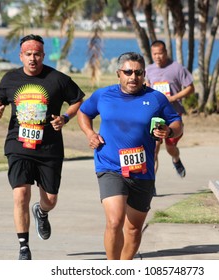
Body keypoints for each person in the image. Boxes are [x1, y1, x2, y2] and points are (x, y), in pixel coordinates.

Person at [77, 52, 183, 260]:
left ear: (144, 74)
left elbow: (177, 123)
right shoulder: (103, 95)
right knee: (115, 221)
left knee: (133, 229)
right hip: (109, 166)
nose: (133, 77)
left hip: (141, 171)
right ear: (118, 73)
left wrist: (168, 131)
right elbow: (84, 112)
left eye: (138, 72)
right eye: (128, 72)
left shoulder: (155, 98)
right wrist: (90, 133)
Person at [0, 34, 85, 260]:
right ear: (21, 56)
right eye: (28, 54)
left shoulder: (58, 79)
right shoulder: (10, 78)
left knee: (50, 199)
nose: (33, 58)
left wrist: (65, 118)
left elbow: (78, 100)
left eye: (37, 54)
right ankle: (24, 246)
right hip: (18, 144)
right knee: (21, 193)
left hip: (49, 148)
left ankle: (41, 212)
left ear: (43, 55)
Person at [145, 40, 195, 182]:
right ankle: (151, 185)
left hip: (173, 114)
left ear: (165, 52)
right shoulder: (149, 70)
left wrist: (172, 98)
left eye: (160, 53)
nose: (157, 57)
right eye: (154, 54)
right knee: (154, 149)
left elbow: (190, 88)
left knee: (170, 147)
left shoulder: (177, 68)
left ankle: (176, 159)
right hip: (155, 115)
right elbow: (147, 86)